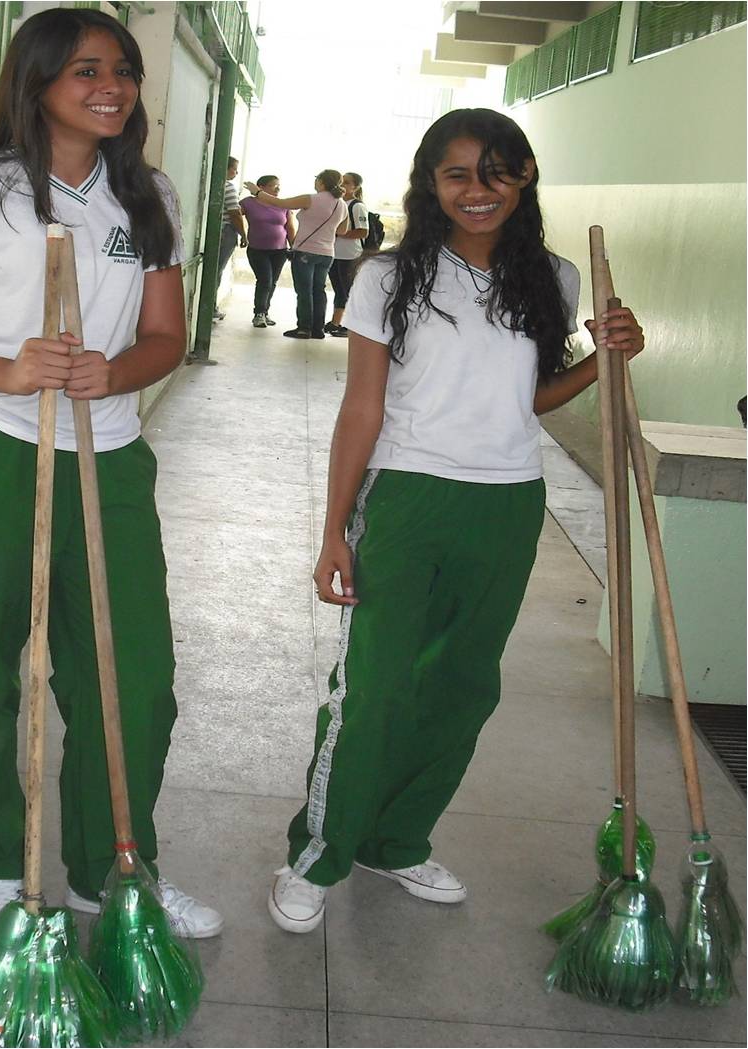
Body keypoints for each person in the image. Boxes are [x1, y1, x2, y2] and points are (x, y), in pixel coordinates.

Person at [0, 8, 223, 940]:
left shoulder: (149, 194)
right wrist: (8, 368)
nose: (113, 85)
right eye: (86, 70)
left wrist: (116, 371)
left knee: (134, 676)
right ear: (36, 84)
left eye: (124, 70)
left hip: (108, 455)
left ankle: (113, 866)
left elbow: (165, 337)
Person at [267, 108, 645, 933]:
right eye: (458, 174)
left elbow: (531, 397)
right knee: (374, 688)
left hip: (507, 503)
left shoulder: (554, 277)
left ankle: (397, 839)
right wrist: (335, 529)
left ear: (526, 175)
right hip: (406, 496)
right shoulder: (387, 276)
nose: (479, 190)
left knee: (463, 686)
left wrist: (601, 361)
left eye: (497, 171)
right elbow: (361, 408)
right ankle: (319, 851)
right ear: (430, 183)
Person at [245, 170, 348, 340]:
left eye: (317, 179)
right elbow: (343, 230)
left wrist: (257, 192)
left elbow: (279, 203)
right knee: (319, 290)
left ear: (322, 182)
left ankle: (304, 328)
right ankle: (318, 329)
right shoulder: (341, 204)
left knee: (304, 291)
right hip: (327, 253)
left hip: (306, 251)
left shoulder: (311, 199)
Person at [240, 174, 295, 328]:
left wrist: (294, 246)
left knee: (272, 282)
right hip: (257, 249)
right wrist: (240, 234)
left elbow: (289, 227)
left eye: (279, 185)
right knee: (264, 280)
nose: (278, 188)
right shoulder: (248, 203)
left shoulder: (283, 204)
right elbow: (233, 215)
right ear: (261, 187)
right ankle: (258, 313)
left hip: (280, 251)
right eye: (273, 185)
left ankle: (265, 312)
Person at [325, 171, 368, 337]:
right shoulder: (337, 203)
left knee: (348, 291)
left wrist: (340, 233)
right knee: (339, 290)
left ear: (355, 187)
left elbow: (363, 232)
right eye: (341, 182)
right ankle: (336, 322)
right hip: (334, 253)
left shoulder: (357, 206)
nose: (342, 186)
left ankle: (349, 325)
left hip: (349, 255)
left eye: (347, 183)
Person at [214, 155, 247, 320]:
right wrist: (244, 235)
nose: (236, 172)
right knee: (217, 270)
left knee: (214, 269)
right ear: (226, 169)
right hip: (225, 232)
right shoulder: (228, 187)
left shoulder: (212, 184)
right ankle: (211, 307)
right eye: (234, 168)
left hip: (214, 231)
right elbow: (235, 213)